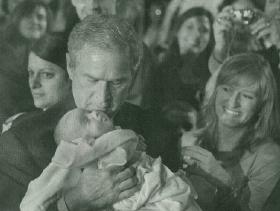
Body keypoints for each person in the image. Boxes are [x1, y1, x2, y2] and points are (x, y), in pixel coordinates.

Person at [0, 14, 150, 211]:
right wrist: (73, 202)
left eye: (117, 82)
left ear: (134, 74)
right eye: (92, 80)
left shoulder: (155, 128)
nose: (102, 99)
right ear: (70, 67)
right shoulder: (19, 144)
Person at [21, 108, 200, 211]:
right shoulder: (93, 161)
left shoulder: (145, 122)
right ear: (86, 143)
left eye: (116, 82)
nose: (96, 112)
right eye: (87, 119)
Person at [179, 53, 280, 211]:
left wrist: (223, 180)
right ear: (216, 91)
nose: (233, 102)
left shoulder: (269, 156)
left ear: (262, 106)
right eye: (227, 89)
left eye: (246, 96)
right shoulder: (190, 139)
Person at [2, 33, 72, 133]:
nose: (34, 84)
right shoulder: (17, 123)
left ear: (70, 78)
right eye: (31, 73)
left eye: (46, 74)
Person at [0, 0, 52, 128]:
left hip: (39, 121)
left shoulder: (53, 55)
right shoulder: (3, 52)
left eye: (40, 17)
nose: (35, 21)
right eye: (28, 16)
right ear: (17, 19)